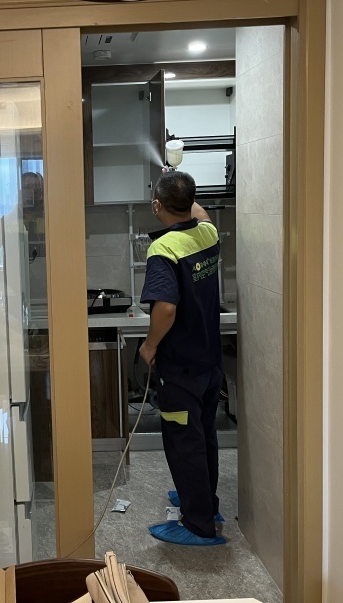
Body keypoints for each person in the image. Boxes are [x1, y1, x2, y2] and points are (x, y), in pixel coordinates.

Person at [139, 170, 226, 546]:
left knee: (183, 441)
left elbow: (166, 308)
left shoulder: (164, 249)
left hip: (180, 367)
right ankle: (205, 503)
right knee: (204, 434)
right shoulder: (207, 233)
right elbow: (200, 213)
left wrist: (149, 346)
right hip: (209, 362)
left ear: (157, 205)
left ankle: (198, 524)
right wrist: (178, 187)